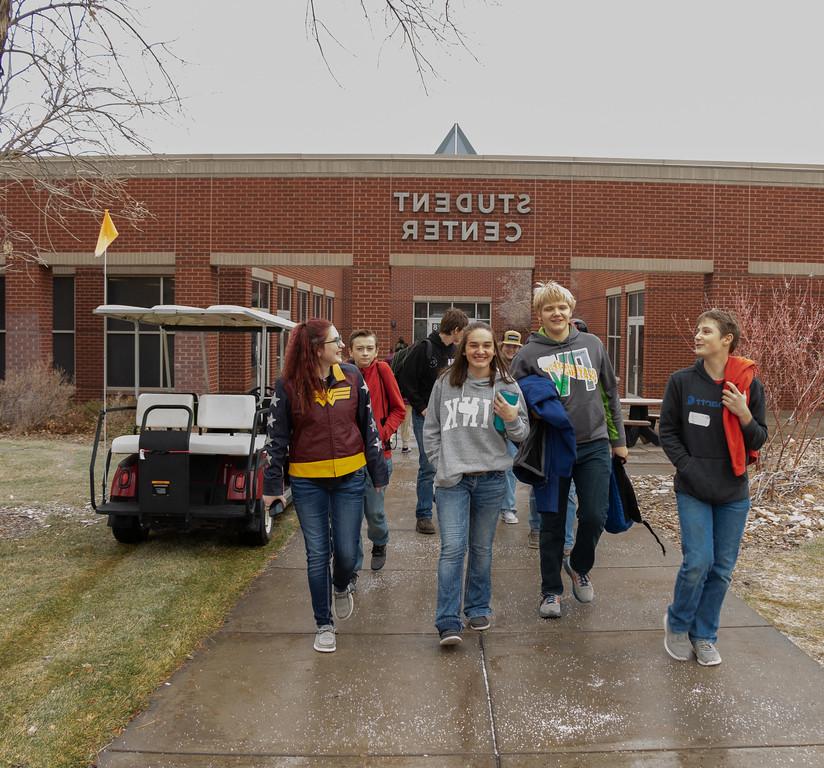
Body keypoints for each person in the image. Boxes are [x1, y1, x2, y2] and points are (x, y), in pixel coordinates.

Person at [263, 319, 388, 654]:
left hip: (350, 477)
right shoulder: (288, 385)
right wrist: (272, 484)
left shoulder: (352, 376)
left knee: (347, 552)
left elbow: (369, 426)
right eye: (336, 341)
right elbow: (276, 439)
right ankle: (323, 623)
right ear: (316, 348)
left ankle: (341, 584)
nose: (342, 347)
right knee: (317, 553)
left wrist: (378, 472)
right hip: (308, 482)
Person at [511, 281, 627, 619]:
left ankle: (578, 565)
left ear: (571, 309)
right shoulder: (528, 354)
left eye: (561, 307)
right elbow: (514, 398)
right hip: (552, 447)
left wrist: (618, 440)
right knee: (552, 520)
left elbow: (609, 392)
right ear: (540, 314)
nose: (556, 313)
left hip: (594, 443)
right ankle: (550, 591)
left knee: (594, 515)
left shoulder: (591, 344)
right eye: (549, 308)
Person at [660, 309, 767, 666]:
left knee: (721, 568)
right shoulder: (681, 382)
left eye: (706, 331)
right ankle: (677, 623)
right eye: (697, 329)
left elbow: (759, 438)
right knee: (697, 563)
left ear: (727, 340)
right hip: (692, 487)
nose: (697, 336)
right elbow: (668, 432)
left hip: (733, 492)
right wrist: (688, 467)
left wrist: (744, 413)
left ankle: (704, 635)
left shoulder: (748, 386)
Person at [423, 322, 529, 645]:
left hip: (492, 480)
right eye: (474, 345)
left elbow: (523, 434)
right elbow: (431, 428)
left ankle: (478, 606)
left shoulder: (507, 386)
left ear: (494, 349)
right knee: (453, 549)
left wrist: (512, 417)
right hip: (452, 480)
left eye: (486, 345)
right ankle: (448, 620)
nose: (480, 351)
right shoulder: (445, 383)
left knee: (481, 549)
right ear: (463, 349)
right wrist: (439, 463)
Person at [397, 307, 469, 535]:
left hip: (451, 415)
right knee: (428, 466)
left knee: (450, 462)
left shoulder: (457, 351)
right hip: (425, 416)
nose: (464, 335)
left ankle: (447, 506)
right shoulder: (423, 349)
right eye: (463, 330)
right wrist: (422, 407)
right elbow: (406, 380)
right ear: (456, 329)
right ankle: (424, 515)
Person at [349, 329, 406, 575]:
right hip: (348, 458)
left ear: (376, 350)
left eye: (369, 348)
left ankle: (380, 541)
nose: (364, 353)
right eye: (359, 348)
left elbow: (399, 409)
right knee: (349, 518)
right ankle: (352, 567)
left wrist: (382, 433)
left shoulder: (383, 371)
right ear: (350, 351)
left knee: (374, 512)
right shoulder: (343, 373)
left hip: (378, 457)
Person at [498, 330, 524, 525]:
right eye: (508, 345)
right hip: (492, 423)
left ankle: (507, 507)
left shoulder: (523, 365)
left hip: (513, 423)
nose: (511, 349)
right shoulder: (494, 364)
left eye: (515, 346)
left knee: (510, 466)